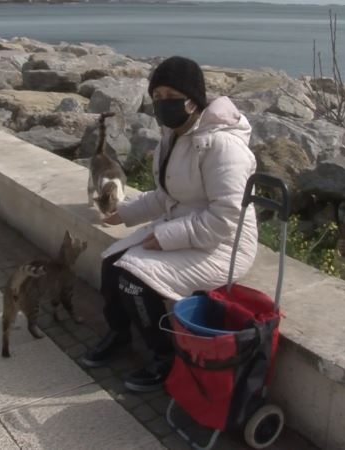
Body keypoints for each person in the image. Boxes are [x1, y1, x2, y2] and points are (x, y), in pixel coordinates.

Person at [81, 56, 259, 392]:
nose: (163, 103)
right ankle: (119, 334)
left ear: (193, 99)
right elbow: (167, 195)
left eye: (171, 95)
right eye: (157, 96)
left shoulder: (222, 146)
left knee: (134, 280)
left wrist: (166, 236)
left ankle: (164, 356)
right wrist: (126, 212)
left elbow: (226, 218)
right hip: (187, 227)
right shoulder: (174, 135)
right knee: (111, 263)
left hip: (225, 245)